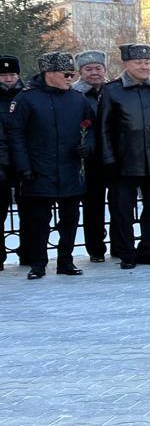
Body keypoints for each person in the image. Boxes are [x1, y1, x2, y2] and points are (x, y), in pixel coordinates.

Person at [10, 52, 96, 279]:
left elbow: (91, 128)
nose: (70, 78)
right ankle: (38, 263)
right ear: (49, 74)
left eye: (72, 74)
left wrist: (87, 147)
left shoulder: (78, 99)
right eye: (66, 74)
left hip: (70, 169)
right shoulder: (26, 99)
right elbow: (15, 134)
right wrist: (24, 166)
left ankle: (65, 261)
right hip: (39, 169)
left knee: (70, 219)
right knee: (38, 221)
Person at [99, 44, 150, 269]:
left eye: (147, 62)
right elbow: (103, 129)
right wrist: (108, 160)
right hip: (124, 163)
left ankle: (147, 250)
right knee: (122, 211)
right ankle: (126, 253)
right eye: (138, 63)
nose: (144, 66)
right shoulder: (112, 91)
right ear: (126, 64)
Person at [72, 50, 110, 263]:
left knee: (119, 204)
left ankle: (122, 246)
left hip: (114, 156)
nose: (94, 73)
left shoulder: (113, 90)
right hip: (90, 159)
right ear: (80, 72)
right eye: (89, 69)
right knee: (93, 205)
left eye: (98, 68)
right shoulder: (75, 94)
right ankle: (96, 248)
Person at [0, 55, 26, 268]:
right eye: (4, 75)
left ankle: (29, 253)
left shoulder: (28, 96)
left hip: (25, 162)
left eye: (12, 74)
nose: (8, 79)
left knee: (29, 212)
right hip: (1, 162)